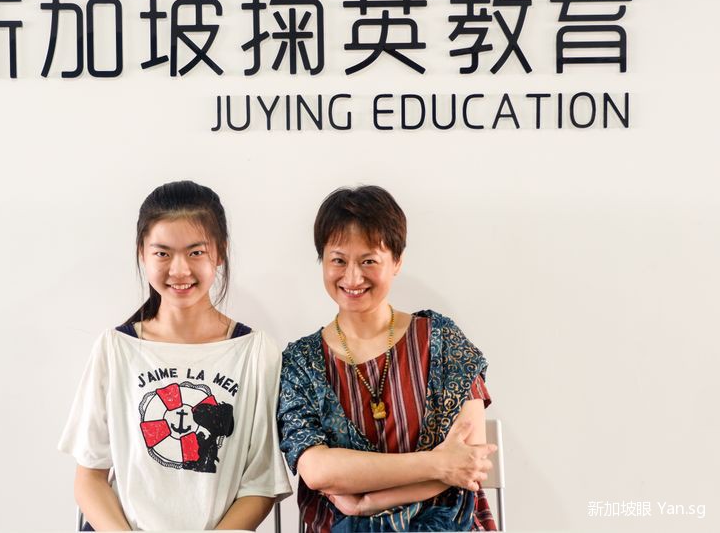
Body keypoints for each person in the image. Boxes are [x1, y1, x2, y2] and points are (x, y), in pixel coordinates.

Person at [59, 181, 291, 530]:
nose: (179, 270)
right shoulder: (115, 348)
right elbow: (90, 478)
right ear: (142, 253)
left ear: (221, 252)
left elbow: (260, 485)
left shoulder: (256, 353)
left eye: (196, 252)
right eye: (162, 253)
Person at [277, 185, 498, 532]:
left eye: (368, 261)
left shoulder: (440, 340)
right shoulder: (301, 362)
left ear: (396, 261)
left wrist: (367, 502)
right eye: (338, 260)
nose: (352, 277)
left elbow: (469, 459)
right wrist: (439, 464)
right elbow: (317, 470)